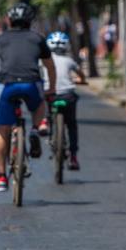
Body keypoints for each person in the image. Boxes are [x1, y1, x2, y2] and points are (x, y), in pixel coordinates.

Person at [0, 2, 56, 192]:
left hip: (7, 85)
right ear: (30, 21)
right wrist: (51, 89)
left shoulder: (0, 39)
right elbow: (50, 67)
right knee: (39, 105)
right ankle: (38, 127)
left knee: (2, 130)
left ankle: (1, 176)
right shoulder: (38, 39)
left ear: (9, 20)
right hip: (31, 83)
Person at [39, 31, 87, 170]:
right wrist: (82, 80)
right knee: (71, 125)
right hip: (68, 96)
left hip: (50, 94)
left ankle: (44, 121)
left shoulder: (43, 60)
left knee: (42, 99)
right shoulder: (69, 60)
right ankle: (73, 157)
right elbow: (81, 74)